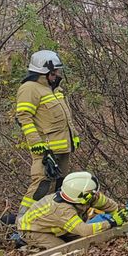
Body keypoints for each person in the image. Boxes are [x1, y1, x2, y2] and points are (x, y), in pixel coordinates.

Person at [15, 50, 80, 215]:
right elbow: (24, 117)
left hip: (63, 147)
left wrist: (74, 137)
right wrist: (36, 143)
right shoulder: (30, 88)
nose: (57, 74)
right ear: (43, 71)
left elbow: (65, 117)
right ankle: (23, 221)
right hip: (46, 149)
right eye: (54, 72)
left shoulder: (53, 89)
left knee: (61, 187)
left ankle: (54, 220)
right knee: (41, 185)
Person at [16, 171, 128, 250]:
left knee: (87, 241)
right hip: (33, 230)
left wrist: (120, 214)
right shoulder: (62, 210)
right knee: (66, 250)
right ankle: (26, 243)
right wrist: (111, 223)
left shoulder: (86, 196)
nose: (96, 195)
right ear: (83, 196)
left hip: (59, 227)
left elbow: (110, 206)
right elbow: (84, 230)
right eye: (93, 193)